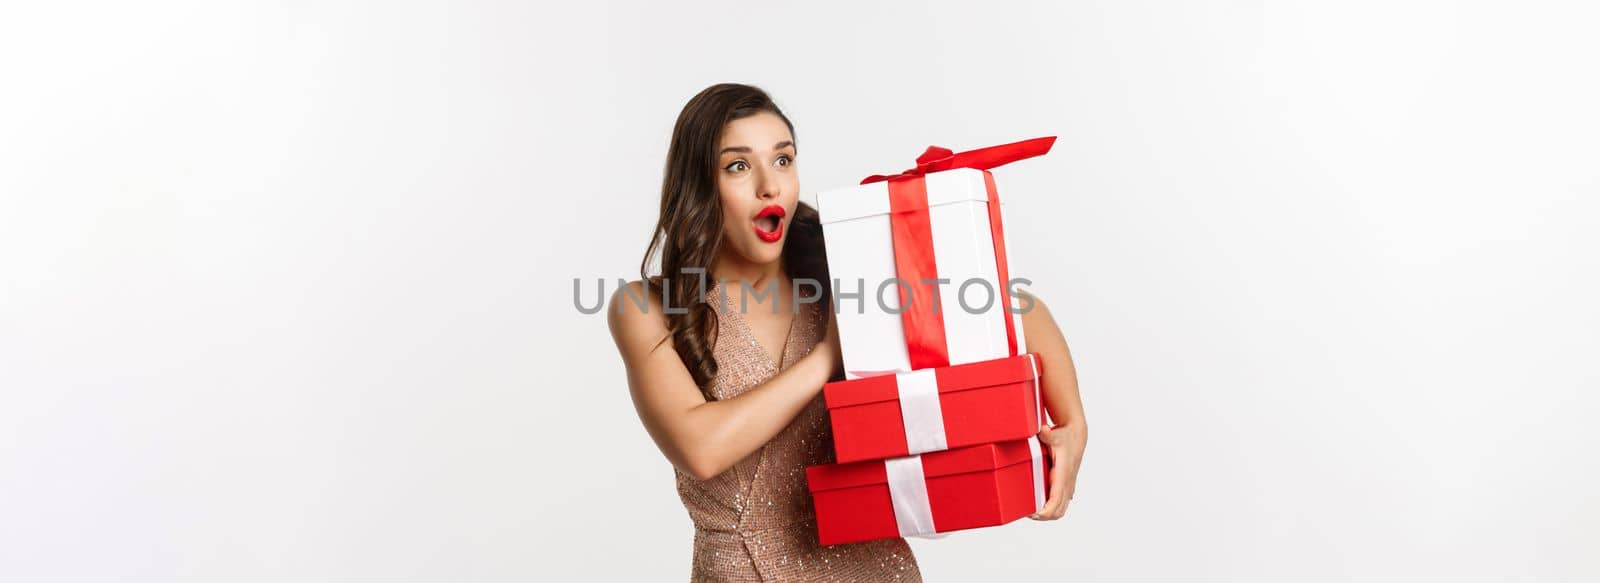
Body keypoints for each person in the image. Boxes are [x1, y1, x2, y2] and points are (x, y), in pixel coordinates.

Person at [608, 82, 1088, 581]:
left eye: (783, 160)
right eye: (738, 165)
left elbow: (1017, 305)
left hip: (877, 566)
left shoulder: (847, 270)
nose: (770, 186)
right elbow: (700, 449)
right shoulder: (644, 307)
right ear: (699, 185)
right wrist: (828, 354)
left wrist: (1072, 425)